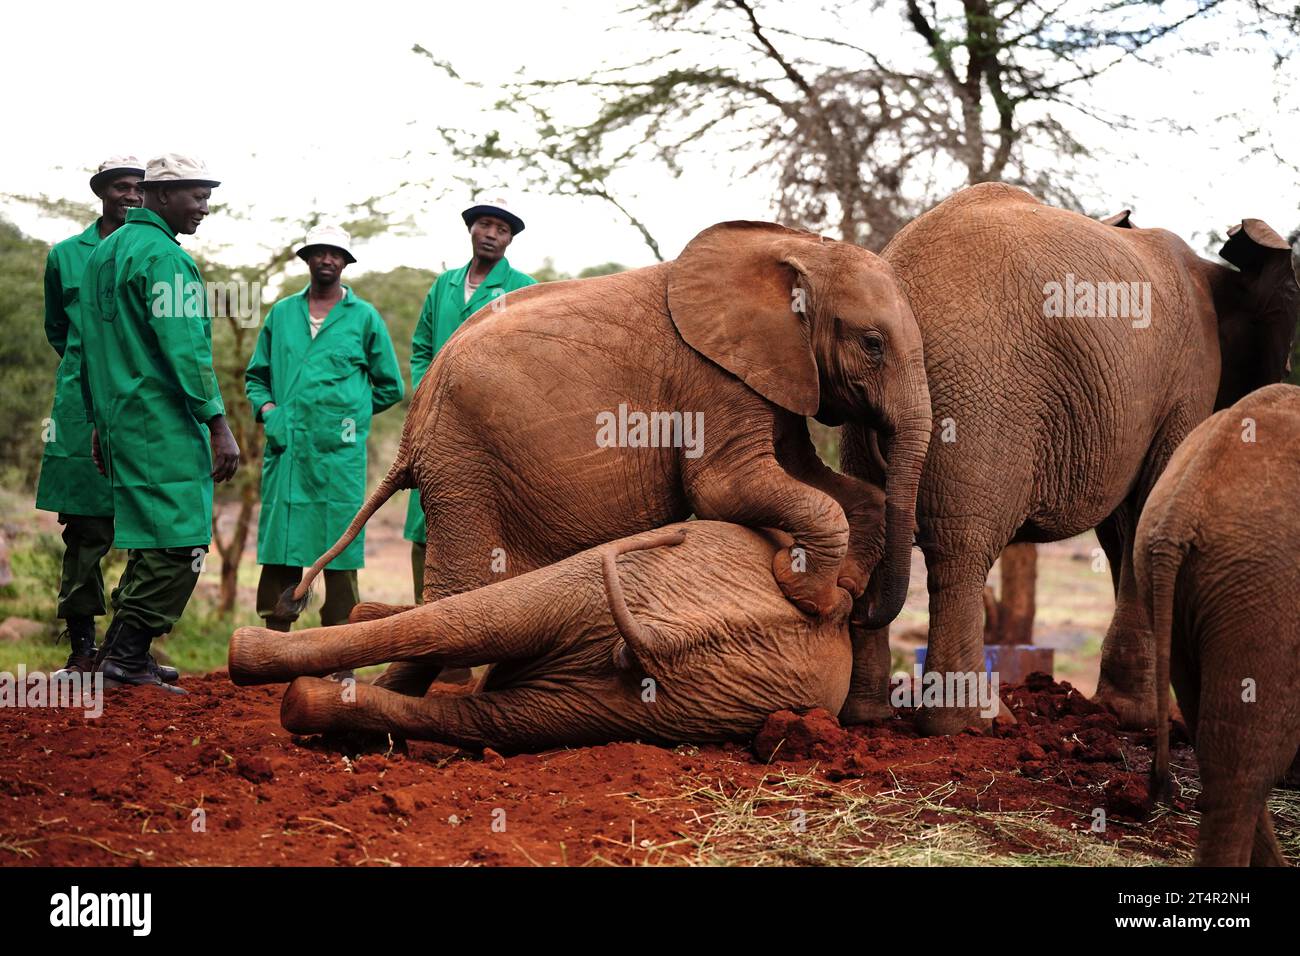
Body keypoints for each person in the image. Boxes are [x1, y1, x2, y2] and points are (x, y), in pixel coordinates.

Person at [78, 154, 240, 694]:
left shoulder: (104, 253)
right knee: (179, 543)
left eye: (208, 197)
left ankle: (120, 656)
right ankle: (125, 659)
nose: (205, 208)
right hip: (162, 421)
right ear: (162, 195)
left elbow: (92, 351)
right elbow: (187, 348)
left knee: (150, 542)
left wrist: (101, 425)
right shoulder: (164, 257)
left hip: (122, 420)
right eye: (197, 196)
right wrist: (218, 422)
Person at [246, 223, 403, 633]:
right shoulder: (281, 313)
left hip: (339, 457)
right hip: (288, 449)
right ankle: (275, 637)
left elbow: (391, 386)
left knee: (340, 546)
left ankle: (339, 645)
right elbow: (256, 376)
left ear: (346, 262)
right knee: (282, 544)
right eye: (319, 252)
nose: (328, 259)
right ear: (307, 259)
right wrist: (269, 413)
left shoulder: (364, 318)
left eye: (336, 253)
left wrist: (347, 416)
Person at [35, 156, 143, 674]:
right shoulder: (64, 256)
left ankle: (125, 650)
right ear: (101, 192)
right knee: (84, 528)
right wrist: (89, 369)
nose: (131, 196)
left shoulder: (154, 252)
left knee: (148, 524)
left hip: (140, 402)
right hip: (78, 406)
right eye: (120, 187)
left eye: (139, 188)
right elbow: (59, 328)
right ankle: (82, 651)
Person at [405, 198, 536, 600]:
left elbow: (531, 359)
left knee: (486, 524)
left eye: (502, 229)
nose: (492, 235)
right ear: (471, 229)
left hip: (491, 426)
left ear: (510, 239)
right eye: (485, 225)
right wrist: (428, 396)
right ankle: (424, 627)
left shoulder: (523, 288)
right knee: (426, 519)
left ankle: (476, 632)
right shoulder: (443, 285)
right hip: (437, 420)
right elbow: (421, 347)